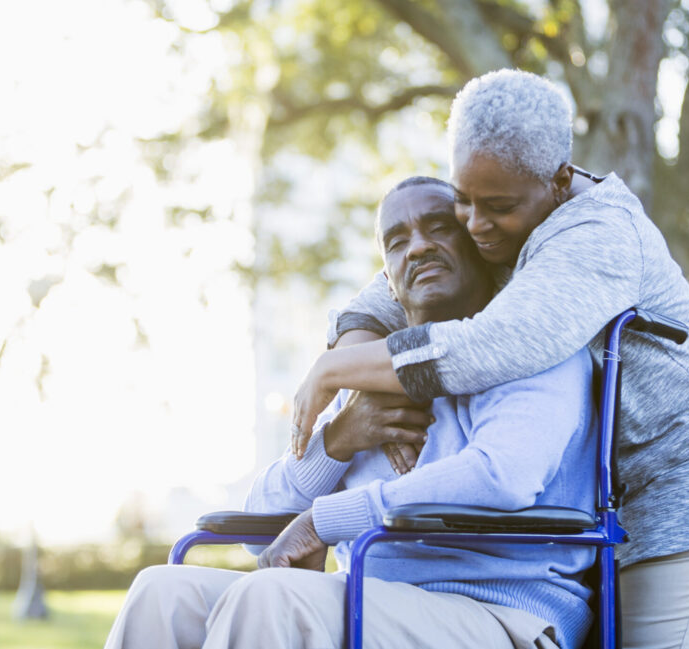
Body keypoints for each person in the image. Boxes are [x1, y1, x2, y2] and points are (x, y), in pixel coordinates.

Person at [290, 69, 689, 649]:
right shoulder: (495, 217)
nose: (475, 226)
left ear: (558, 181)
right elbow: (377, 300)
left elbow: (487, 348)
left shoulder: (596, 235)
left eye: (497, 206)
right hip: (612, 482)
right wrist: (364, 387)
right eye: (463, 202)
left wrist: (331, 372)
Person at [104, 177, 597, 649]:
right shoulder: (369, 374)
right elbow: (258, 528)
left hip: (501, 613)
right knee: (161, 593)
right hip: (372, 603)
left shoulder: (532, 343)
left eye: (439, 227)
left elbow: (502, 476)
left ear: (478, 243)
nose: (418, 247)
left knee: (271, 598)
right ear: (388, 282)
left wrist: (325, 520)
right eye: (397, 241)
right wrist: (336, 441)